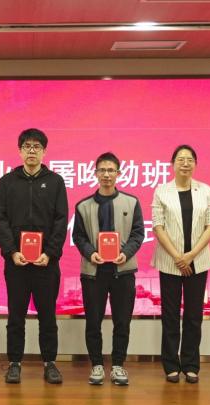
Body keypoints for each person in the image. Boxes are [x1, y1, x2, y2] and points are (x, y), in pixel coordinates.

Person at [0, 128, 68, 384]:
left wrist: (50, 253)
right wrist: (11, 251)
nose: (31, 151)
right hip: (17, 263)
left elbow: (61, 220)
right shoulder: (7, 182)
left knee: (48, 316)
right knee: (16, 316)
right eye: (27, 146)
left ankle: (50, 363)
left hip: (46, 264)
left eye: (36, 146)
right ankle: (14, 363)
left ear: (44, 151)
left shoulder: (55, 182)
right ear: (20, 151)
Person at [72, 152, 145, 386]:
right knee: (93, 321)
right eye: (102, 170)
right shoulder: (83, 206)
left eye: (110, 170)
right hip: (93, 272)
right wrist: (89, 252)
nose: (106, 174)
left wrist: (127, 253)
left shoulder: (131, 202)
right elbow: (78, 236)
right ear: (95, 174)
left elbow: (138, 233)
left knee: (122, 322)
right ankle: (96, 365)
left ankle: (118, 365)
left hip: (123, 271)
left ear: (118, 174)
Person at [152, 144, 210, 384]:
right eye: (180, 159)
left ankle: (190, 365)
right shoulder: (162, 190)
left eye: (190, 159)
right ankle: (170, 364)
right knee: (170, 315)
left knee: (193, 316)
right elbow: (158, 226)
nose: (185, 163)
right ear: (173, 164)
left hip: (197, 261)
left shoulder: (205, 190)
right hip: (170, 261)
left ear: (195, 164)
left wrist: (190, 255)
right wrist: (178, 256)